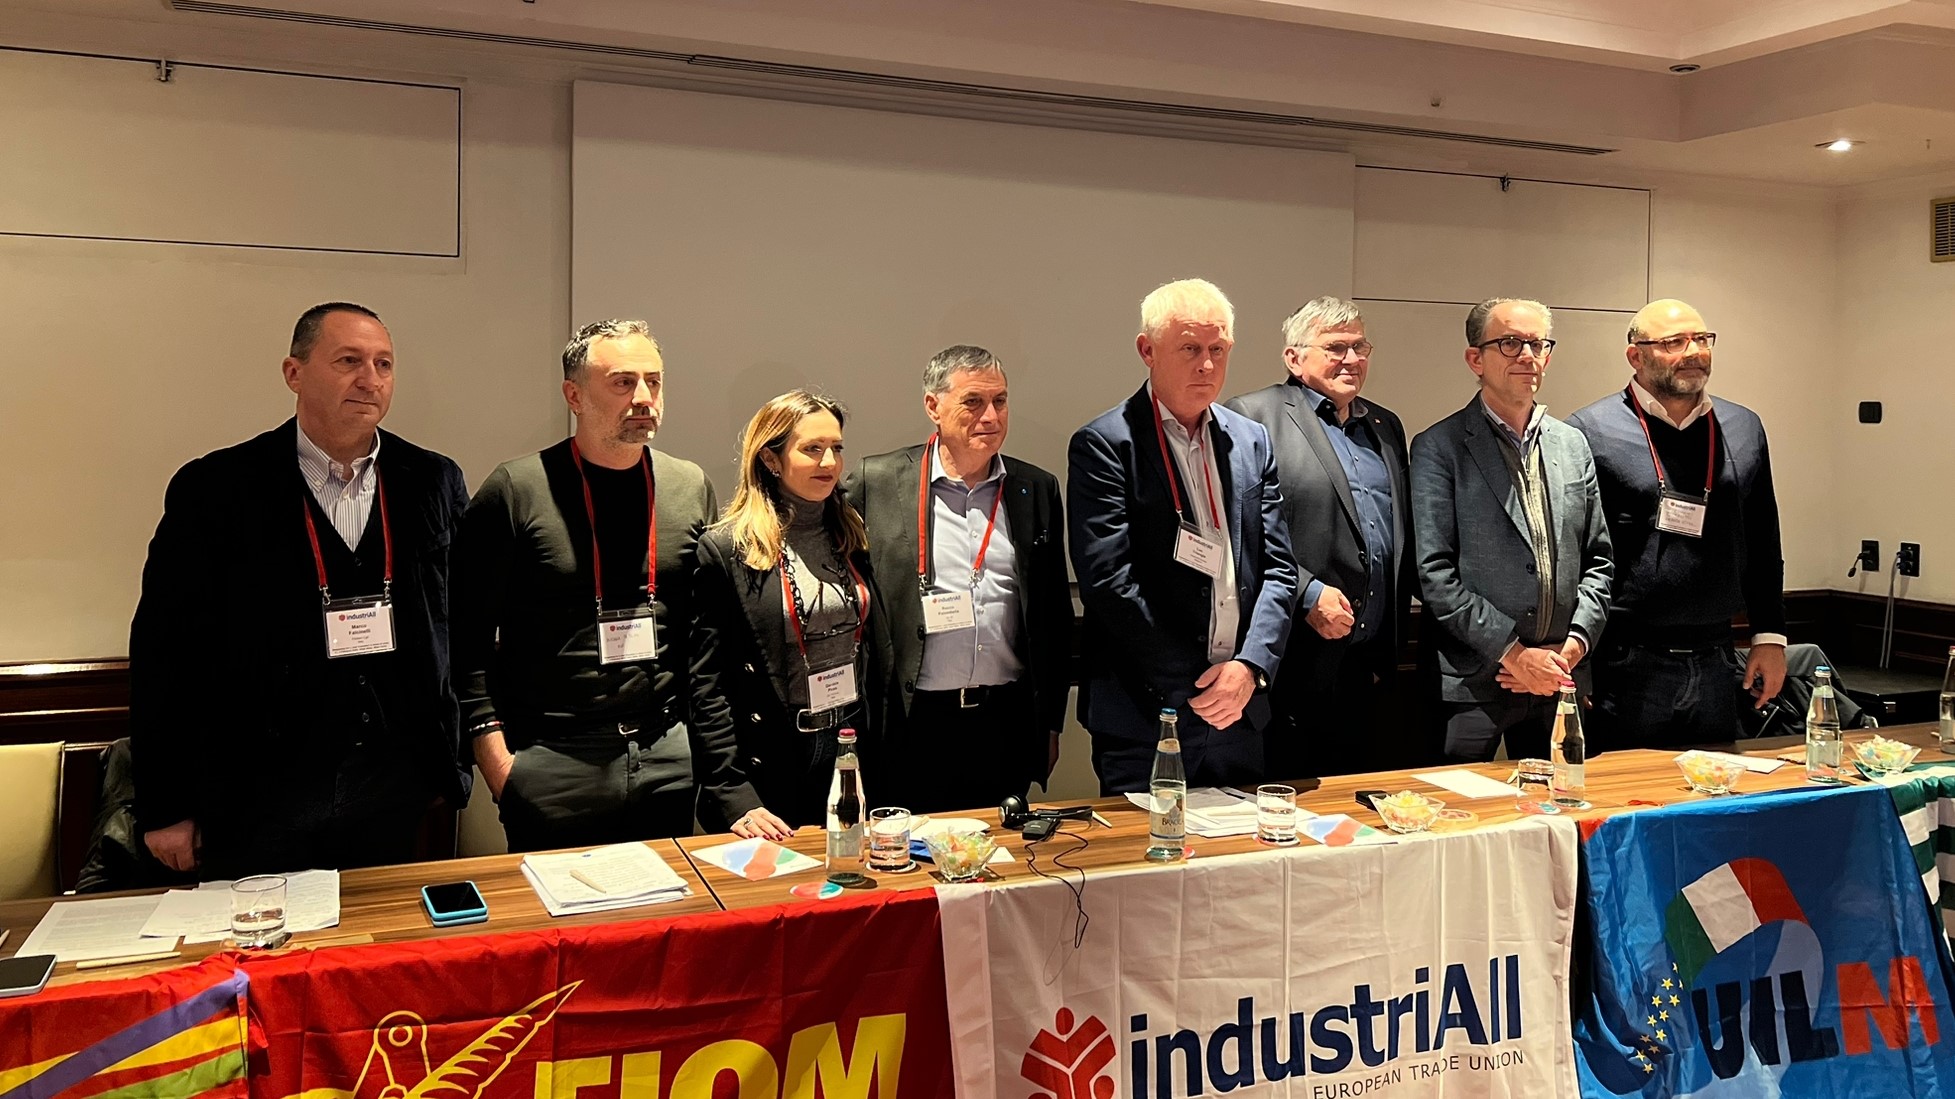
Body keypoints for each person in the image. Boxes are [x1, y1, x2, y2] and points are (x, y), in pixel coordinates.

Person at [129, 302, 468, 879]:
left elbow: (456, 624)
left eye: (384, 364)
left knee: (378, 937)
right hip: (257, 791)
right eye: (349, 361)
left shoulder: (433, 480)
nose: (370, 379)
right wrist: (166, 806)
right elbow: (163, 650)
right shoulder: (216, 488)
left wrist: (449, 762)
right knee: (262, 938)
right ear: (294, 373)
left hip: (393, 786)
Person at [453, 320, 721, 852]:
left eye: (653, 381)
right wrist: (499, 762)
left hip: (667, 752)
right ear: (573, 395)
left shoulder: (688, 485)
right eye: (623, 382)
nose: (643, 397)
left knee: (662, 905)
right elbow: (465, 635)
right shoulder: (517, 489)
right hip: (553, 758)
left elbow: (705, 632)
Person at [1069, 279, 1298, 793]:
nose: (1207, 365)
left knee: (1241, 846)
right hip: (1149, 712)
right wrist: (1200, 683)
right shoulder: (1105, 444)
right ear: (1147, 350)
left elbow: (1280, 569)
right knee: (1149, 846)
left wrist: (1249, 668)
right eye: (1190, 349)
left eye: (1218, 349)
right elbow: (1109, 583)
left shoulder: (1251, 440)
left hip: (1240, 709)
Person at [844, 346, 1071, 813]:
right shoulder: (877, 481)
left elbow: (1054, 616)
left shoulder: (1035, 488)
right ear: (933, 406)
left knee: (1000, 853)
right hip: (912, 721)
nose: (991, 416)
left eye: (1000, 401)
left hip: (1004, 721)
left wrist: (1050, 725)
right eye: (973, 402)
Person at [1566, 298, 1787, 749]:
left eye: (1702, 339)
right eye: (1674, 342)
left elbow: (1763, 540)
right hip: (1625, 663)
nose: (1694, 352)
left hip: (1717, 659)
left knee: (1713, 785)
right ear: (1636, 356)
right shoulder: (1589, 431)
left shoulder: (1743, 427)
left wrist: (1769, 637)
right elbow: (1573, 555)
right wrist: (1579, 660)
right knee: (1630, 788)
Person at [1409, 299, 1613, 763]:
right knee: (1459, 804)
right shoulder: (1439, 446)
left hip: (1561, 675)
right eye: (1509, 343)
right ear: (1475, 359)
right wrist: (1516, 655)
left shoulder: (1572, 444)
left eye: (1538, 344)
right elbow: (1434, 574)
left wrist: (1572, 648)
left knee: (1561, 802)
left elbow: (1599, 560)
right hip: (1475, 680)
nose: (1527, 355)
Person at [690, 391, 896, 838]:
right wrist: (732, 792)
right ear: (770, 458)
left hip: (851, 745)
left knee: (850, 872)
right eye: (812, 449)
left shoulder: (852, 533)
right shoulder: (727, 548)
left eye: (836, 447)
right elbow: (707, 684)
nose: (829, 462)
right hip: (776, 753)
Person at [1225, 297, 1413, 776]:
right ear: (1294, 357)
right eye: (1335, 348)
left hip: (1369, 666)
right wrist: (1306, 594)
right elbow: (1238, 532)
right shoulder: (1251, 416)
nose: (1352, 359)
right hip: (1292, 659)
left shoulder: (1385, 425)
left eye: (1360, 347)